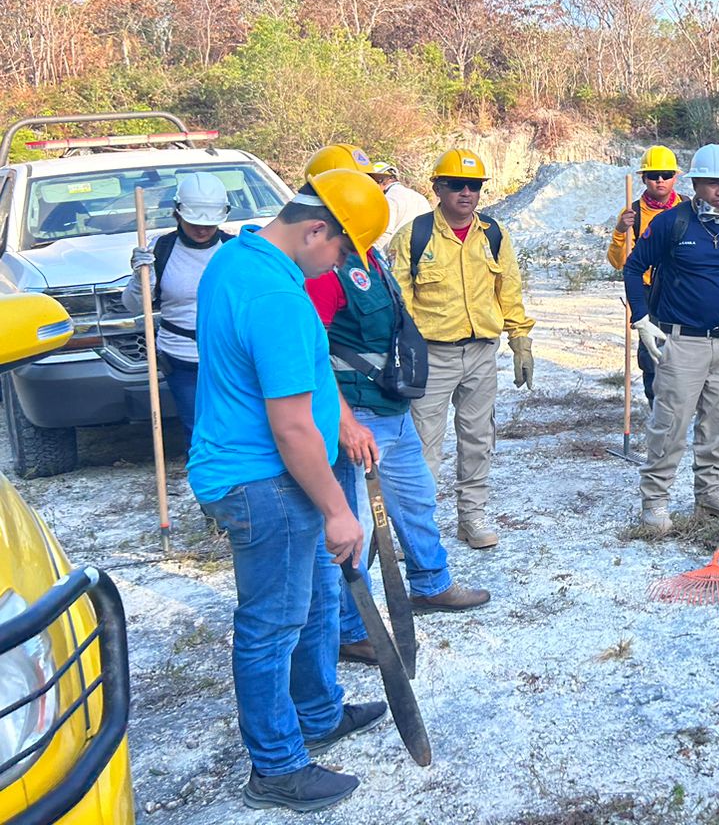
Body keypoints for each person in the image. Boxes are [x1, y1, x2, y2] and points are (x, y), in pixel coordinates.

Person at [186, 169, 391, 813]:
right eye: (342, 252)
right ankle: (276, 766)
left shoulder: (235, 257)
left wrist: (346, 425)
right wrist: (338, 510)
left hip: (272, 473)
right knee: (272, 623)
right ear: (314, 230)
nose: (341, 267)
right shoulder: (277, 298)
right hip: (264, 482)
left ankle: (319, 711)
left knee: (317, 600)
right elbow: (292, 423)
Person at [301, 152, 490, 669]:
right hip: (357, 413)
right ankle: (348, 628)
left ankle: (431, 583)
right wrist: (341, 419)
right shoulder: (323, 267)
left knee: (417, 498)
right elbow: (311, 348)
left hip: (393, 406)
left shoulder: (368, 254)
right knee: (352, 528)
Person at [389, 148, 535, 550]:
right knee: (422, 446)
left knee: (477, 438)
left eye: (473, 186)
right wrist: (401, 353)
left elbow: (509, 288)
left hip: (481, 354)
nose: (465, 193)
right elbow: (399, 301)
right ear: (438, 188)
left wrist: (519, 338)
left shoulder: (494, 235)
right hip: (432, 357)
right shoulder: (414, 237)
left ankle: (472, 517)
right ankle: (416, 531)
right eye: (456, 185)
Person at [624, 143, 719, 533]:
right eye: (712, 184)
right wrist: (641, 319)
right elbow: (633, 267)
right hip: (681, 341)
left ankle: (709, 495)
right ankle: (655, 501)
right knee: (670, 423)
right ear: (696, 183)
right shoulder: (673, 223)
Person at [123, 171, 235, 449]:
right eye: (194, 222)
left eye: (208, 223)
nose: (202, 229)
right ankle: (208, 489)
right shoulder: (161, 249)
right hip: (182, 359)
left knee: (236, 427)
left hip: (230, 355)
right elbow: (134, 305)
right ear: (178, 213)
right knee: (198, 431)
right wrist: (141, 278)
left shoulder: (235, 250)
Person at [606, 146, 683, 412]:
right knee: (651, 352)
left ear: (675, 177)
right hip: (649, 292)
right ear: (643, 179)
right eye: (653, 175)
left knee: (686, 349)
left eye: (665, 174)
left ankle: (687, 408)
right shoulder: (633, 214)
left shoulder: (688, 208)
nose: (659, 180)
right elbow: (618, 262)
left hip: (681, 290)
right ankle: (656, 409)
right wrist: (620, 231)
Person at [370, 160, 432, 250]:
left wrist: (371, 255)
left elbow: (385, 232)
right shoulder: (419, 197)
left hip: (395, 257)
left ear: (384, 180)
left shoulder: (388, 198)